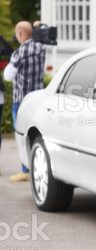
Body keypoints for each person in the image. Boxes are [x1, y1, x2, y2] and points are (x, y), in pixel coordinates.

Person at [3, 21, 45, 182]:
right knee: (35, 134)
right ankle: (34, 167)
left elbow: (8, 75)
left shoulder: (19, 52)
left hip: (21, 101)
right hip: (37, 100)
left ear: (20, 34)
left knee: (21, 135)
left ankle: (24, 170)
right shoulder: (40, 48)